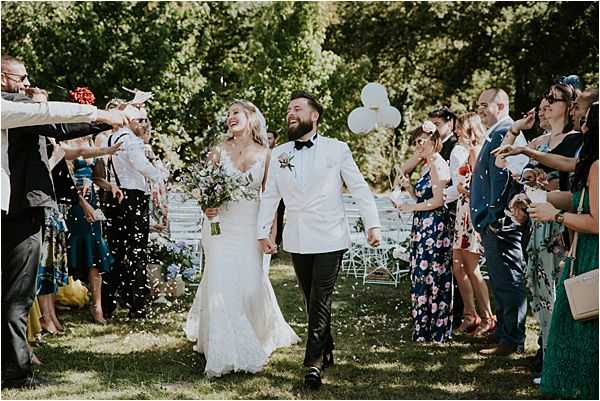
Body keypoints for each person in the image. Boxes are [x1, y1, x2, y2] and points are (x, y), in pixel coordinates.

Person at [1, 66, 123, 389]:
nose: (27, 84)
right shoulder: (12, 110)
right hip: (20, 211)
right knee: (17, 296)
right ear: (2, 78)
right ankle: (15, 373)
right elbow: (56, 120)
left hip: (17, 208)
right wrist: (101, 117)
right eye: (20, 78)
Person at [257, 91, 381, 389]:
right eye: (288, 109)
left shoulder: (337, 149)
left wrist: (373, 224)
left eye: (297, 108)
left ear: (314, 116)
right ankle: (326, 349)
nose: (290, 113)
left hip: (330, 236)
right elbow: (271, 195)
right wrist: (263, 231)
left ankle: (312, 364)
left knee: (320, 298)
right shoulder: (280, 153)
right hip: (298, 237)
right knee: (310, 297)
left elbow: (360, 189)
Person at [184, 100, 300, 377]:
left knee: (249, 282)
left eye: (235, 112)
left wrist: (270, 232)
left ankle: (258, 331)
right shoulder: (218, 151)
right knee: (221, 279)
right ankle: (221, 347)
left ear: (251, 117)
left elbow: (271, 198)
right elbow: (205, 189)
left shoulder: (267, 154)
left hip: (250, 225)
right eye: (227, 114)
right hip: (219, 226)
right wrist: (205, 206)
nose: (230, 118)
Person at [527, 102, 598, 399]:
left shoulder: (598, 167)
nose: (581, 129)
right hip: (584, 252)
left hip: (591, 253)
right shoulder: (593, 165)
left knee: (585, 324)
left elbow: (596, 222)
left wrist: (553, 216)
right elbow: (580, 199)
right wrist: (544, 197)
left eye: (586, 123)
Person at [470, 88, 527, 356]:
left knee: (509, 280)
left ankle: (512, 339)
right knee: (500, 280)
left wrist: (495, 216)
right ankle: (504, 333)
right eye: (479, 105)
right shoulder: (495, 132)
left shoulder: (508, 133)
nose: (480, 109)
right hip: (491, 222)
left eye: (485, 105)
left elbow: (514, 176)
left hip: (503, 222)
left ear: (500, 104)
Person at [100, 106, 167, 319]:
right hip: (133, 197)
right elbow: (140, 164)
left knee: (117, 251)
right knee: (137, 252)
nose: (143, 124)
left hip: (117, 196)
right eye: (141, 119)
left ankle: (109, 304)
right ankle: (137, 306)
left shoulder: (113, 137)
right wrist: (159, 176)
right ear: (132, 120)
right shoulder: (130, 139)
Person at [395, 121, 453, 343]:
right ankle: (422, 328)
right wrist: (409, 188)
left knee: (433, 277)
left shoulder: (438, 164)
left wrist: (412, 207)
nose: (417, 145)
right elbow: (423, 199)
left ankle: (437, 329)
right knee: (421, 275)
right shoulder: (426, 165)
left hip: (435, 229)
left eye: (421, 140)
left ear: (433, 140)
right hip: (422, 226)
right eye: (416, 141)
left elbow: (438, 201)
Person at [448, 113, 494, 337]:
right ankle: (469, 314)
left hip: (471, 213)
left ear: (470, 130)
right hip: (461, 212)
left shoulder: (477, 151)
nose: (456, 132)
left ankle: (488, 317)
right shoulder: (467, 151)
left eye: (460, 128)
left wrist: (463, 189)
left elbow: (481, 186)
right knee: (458, 266)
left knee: (472, 268)